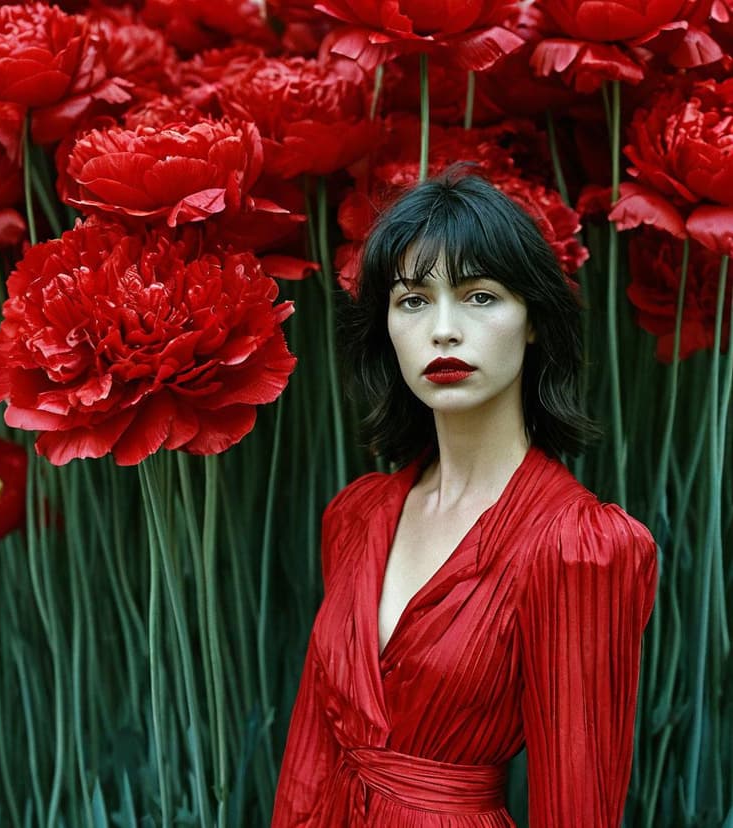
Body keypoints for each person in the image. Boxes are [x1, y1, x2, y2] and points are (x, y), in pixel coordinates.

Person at [270, 170, 659, 827]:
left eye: (480, 296)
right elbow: (308, 765)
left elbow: (579, 805)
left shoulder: (578, 549)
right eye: (413, 300)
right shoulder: (356, 517)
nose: (443, 330)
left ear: (533, 320)